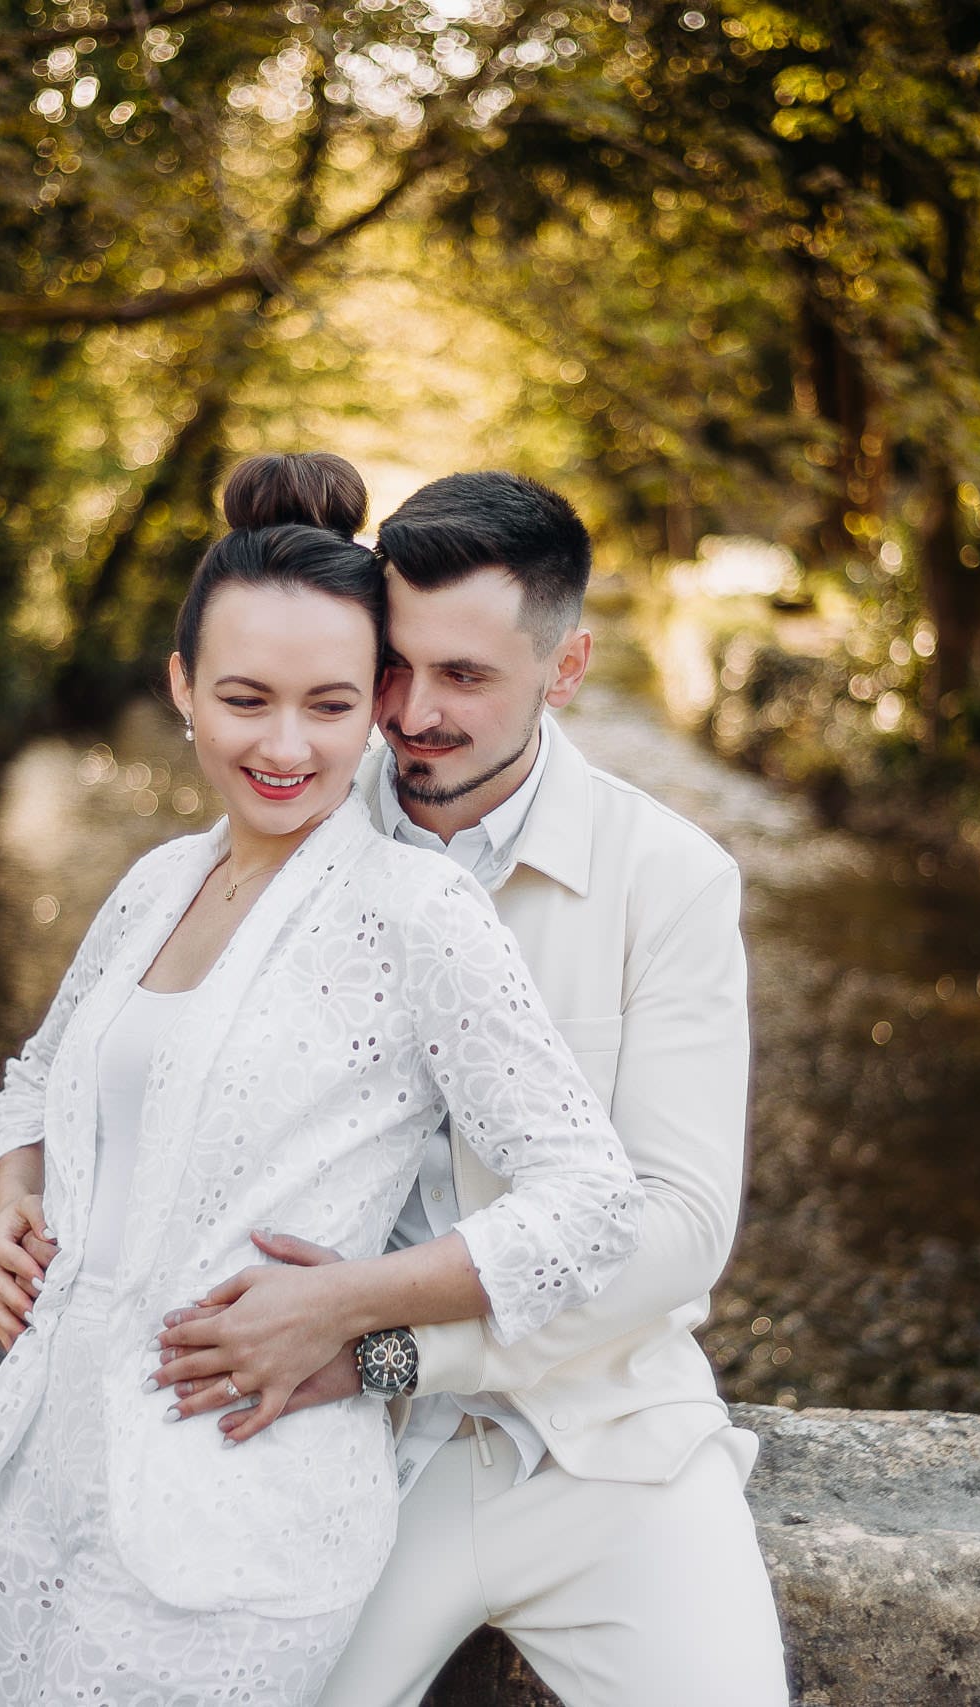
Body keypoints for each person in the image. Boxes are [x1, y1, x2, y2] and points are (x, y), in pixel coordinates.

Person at [0, 453, 644, 1707]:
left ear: (374, 704)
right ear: (181, 690)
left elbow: (588, 1201)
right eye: (245, 698)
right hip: (52, 1480)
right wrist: (13, 1201)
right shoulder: (156, 881)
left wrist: (353, 1305)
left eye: (327, 705)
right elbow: (32, 1079)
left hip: (241, 1513)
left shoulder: (416, 909)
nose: (283, 745)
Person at [149, 471, 790, 1706]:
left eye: (466, 678)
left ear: (567, 666)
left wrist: (376, 1341)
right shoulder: (294, 830)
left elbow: (678, 1234)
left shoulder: (673, 881)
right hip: (341, 1448)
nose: (412, 714)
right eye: (395, 667)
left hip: (607, 1450)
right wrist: (20, 1179)